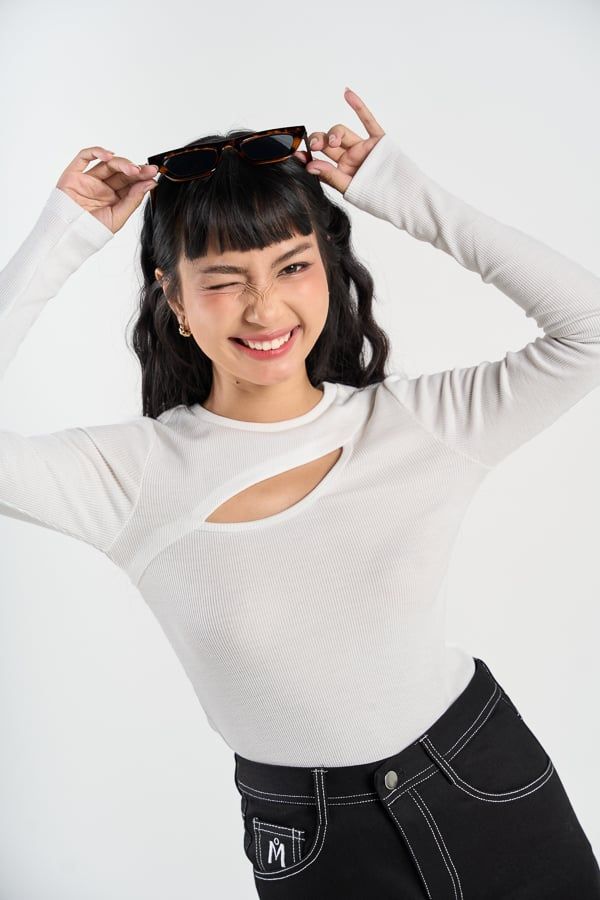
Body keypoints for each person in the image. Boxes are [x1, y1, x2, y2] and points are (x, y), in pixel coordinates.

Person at [1, 87, 599, 898]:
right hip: (316, 844)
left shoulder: (422, 424)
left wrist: (401, 190)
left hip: (486, 781)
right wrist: (63, 234)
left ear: (329, 268)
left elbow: (589, 328)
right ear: (174, 299)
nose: (265, 308)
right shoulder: (128, 479)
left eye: (292, 266)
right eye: (224, 280)